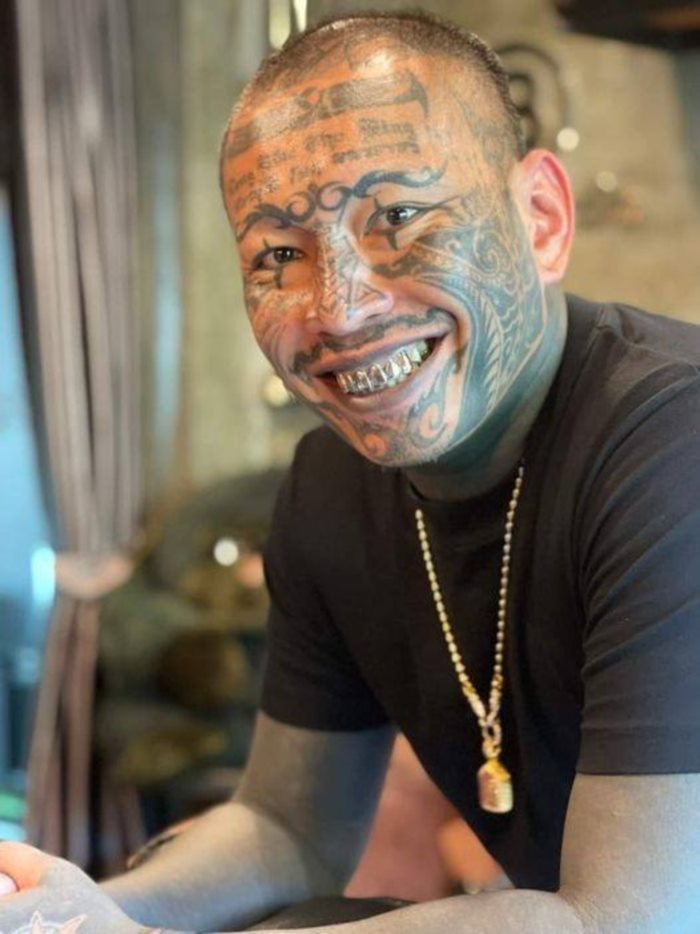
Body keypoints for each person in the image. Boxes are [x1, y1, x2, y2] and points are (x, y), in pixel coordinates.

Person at [2, 10, 700, 933]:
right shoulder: (328, 490)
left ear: (540, 219)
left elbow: (631, 919)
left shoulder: (672, 441)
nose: (338, 309)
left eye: (399, 217)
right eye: (279, 255)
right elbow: (285, 830)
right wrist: (83, 911)